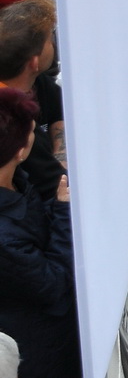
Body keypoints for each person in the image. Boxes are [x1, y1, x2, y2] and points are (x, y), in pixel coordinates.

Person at [0, 87, 77, 378]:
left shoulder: (15, 178)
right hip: (41, 348)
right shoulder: (5, 239)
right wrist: (62, 211)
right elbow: (53, 286)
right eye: (33, 133)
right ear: (21, 151)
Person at [0, 0, 63, 201]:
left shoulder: (33, 80)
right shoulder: (14, 125)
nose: (52, 43)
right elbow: (55, 185)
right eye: (47, 40)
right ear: (34, 62)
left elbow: (58, 110)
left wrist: (61, 155)